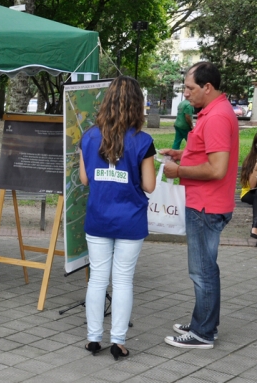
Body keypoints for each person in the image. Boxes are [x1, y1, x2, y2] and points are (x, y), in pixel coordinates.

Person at [162, 61, 239, 350]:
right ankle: (204, 323)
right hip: (206, 203)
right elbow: (207, 152)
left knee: (202, 271)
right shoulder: (214, 111)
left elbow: (217, 168)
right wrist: (182, 153)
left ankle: (203, 333)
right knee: (206, 269)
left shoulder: (217, 116)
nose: (186, 94)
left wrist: (178, 171)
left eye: (190, 88)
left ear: (207, 87)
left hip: (206, 206)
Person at [79, 76, 156, 360]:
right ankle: (118, 341)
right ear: (137, 105)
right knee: (123, 281)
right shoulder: (143, 141)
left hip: (98, 218)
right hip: (130, 221)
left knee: (97, 279)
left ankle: (92, 339)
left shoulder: (88, 136)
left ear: (107, 101)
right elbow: (149, 186)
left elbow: (85, 179)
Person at [239, 132, 257, 239]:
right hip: (248, 193)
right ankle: (255, 226)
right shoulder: (250, 160)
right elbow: (251, 186)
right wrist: (255, 169)